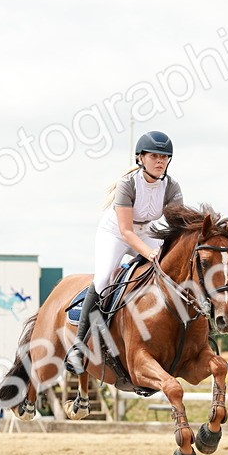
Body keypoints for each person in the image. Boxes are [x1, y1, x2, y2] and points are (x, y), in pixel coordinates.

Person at [66, 130, 183, 372]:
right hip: (116, 233)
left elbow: (177, 226)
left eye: (164, 157)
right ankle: (78, 346)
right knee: (103, 278)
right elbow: (126, 232)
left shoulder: (171, 186)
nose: (160, 161)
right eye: (154, 156)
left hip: (145, 231)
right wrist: (151, 254)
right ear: (140, 158)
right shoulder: (127, 184)